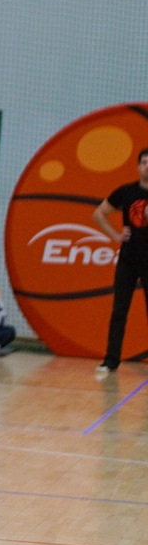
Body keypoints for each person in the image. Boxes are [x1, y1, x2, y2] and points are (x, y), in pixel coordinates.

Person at [94, 147, 148, 376]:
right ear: (138, 167)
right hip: (128, 260)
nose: (147, 166)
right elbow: (99, 214)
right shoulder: (126, 192)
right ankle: (111, 360)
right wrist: (116, 235)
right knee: (119, 310)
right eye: (144, 162)